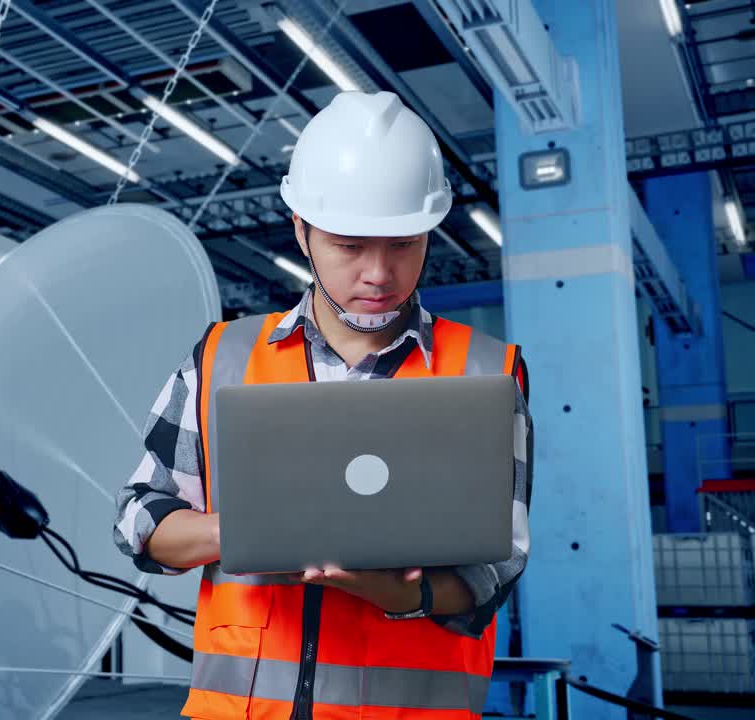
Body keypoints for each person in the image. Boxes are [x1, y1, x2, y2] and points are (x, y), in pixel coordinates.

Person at [112, 90, 533, 720]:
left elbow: (498, 564)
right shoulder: (222, 357)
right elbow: (139, 518)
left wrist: (400, 595)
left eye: (403, 244)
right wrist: (250, 533)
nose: (379, 273)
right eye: (350, 246)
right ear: (301, 232)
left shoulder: (485, 370)